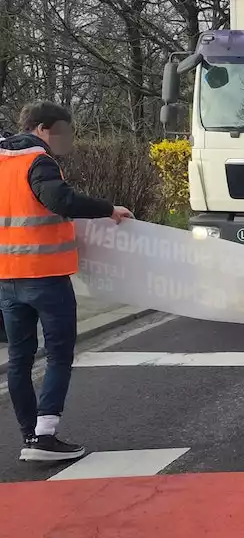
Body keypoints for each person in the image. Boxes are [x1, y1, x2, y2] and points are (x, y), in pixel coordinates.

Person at [0, 101, 133, 462]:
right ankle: (44, 435)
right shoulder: (37, 161)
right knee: (59, 354)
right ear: (43, 128)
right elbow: (60, 200)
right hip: (45, 277)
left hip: (7, 279)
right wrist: (107, 209)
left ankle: (30, 436)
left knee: (19, 359)